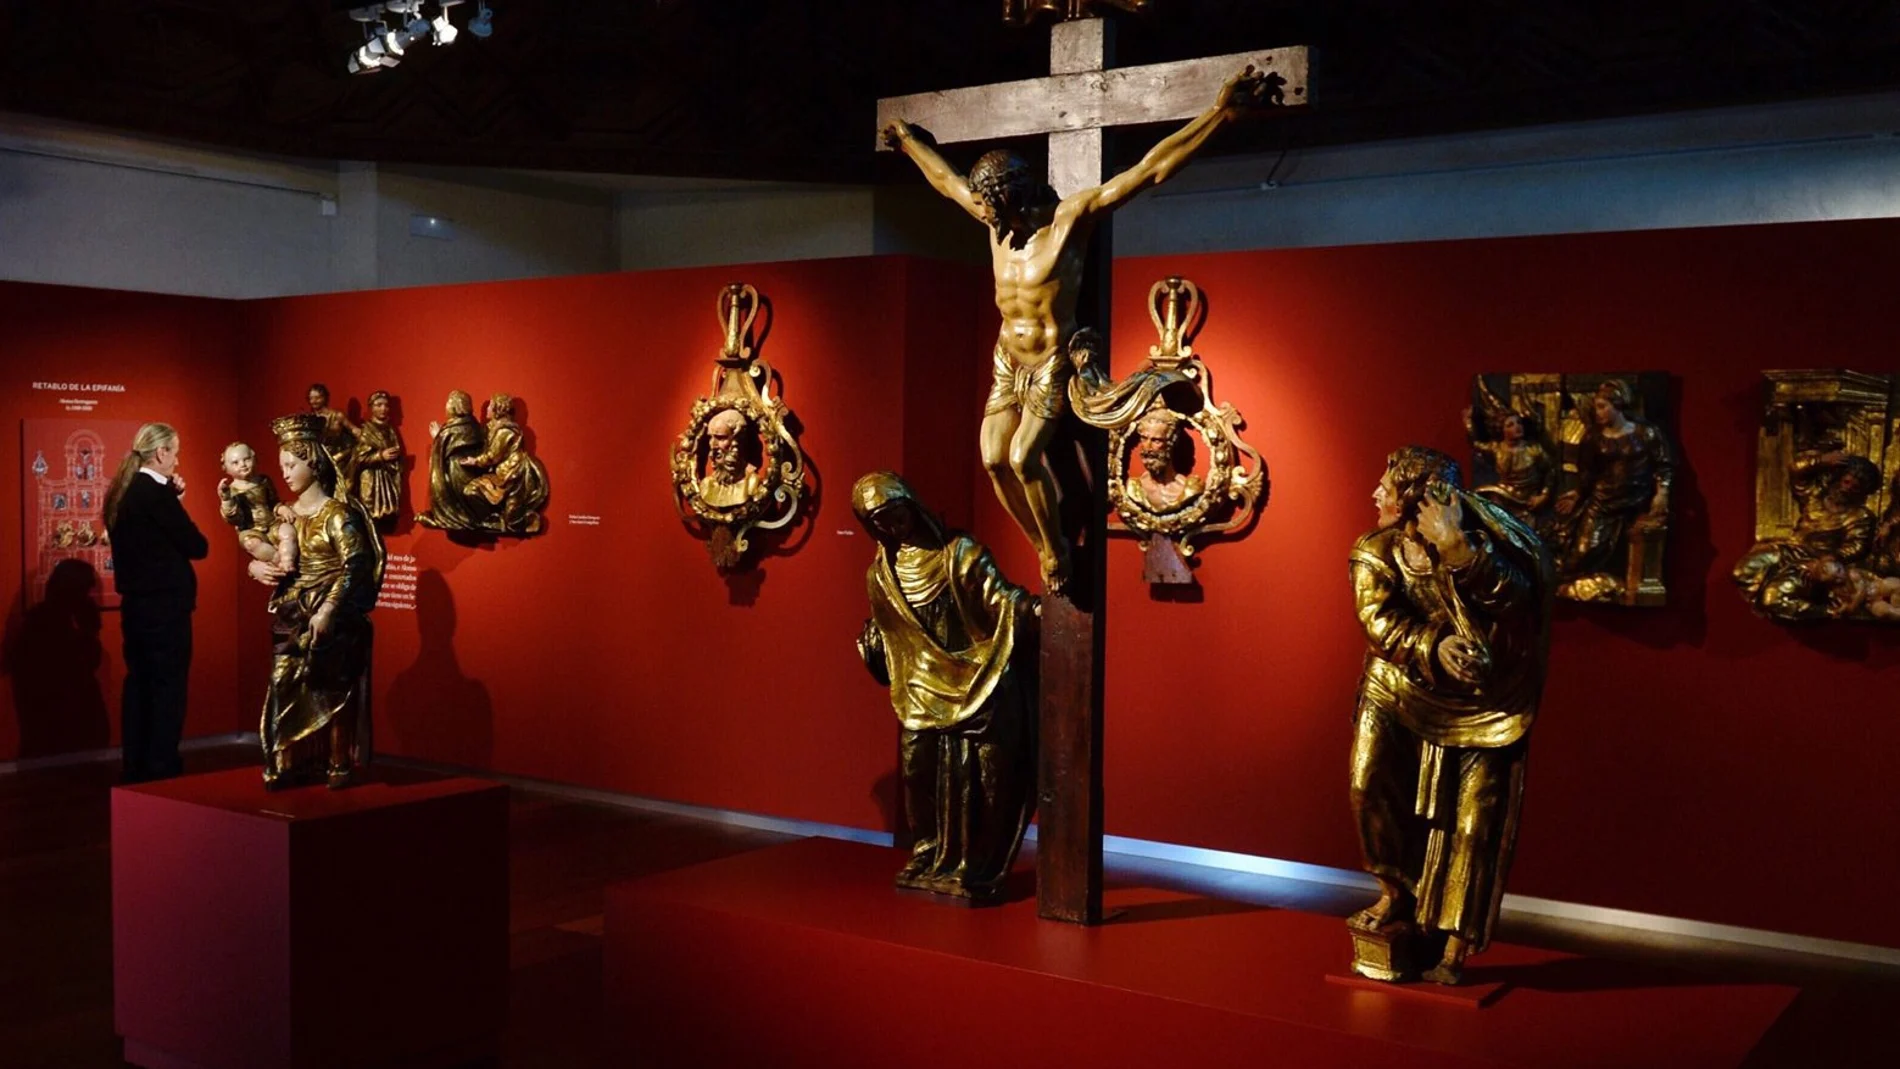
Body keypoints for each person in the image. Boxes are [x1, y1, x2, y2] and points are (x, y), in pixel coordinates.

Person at [883, 66, 1272, 590]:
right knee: (993, 458)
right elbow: (947, 183)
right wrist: (907, 142)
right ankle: (1044, 542)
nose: (994, 226)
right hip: (1006, 356)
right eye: (989, 215)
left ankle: (1054, 551)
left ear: (1020, 199)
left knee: (1023, 456)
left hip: (1051, 357)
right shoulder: (995, 220)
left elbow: (1149, 171)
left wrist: (1220, 114)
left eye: (1001, 215)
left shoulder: (1070, 218)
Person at [1347, 446, 1553, 985]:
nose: (1375, 494)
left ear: (1419, 499)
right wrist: (1433, 647)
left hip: (1484, 705)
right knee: (1367, 786)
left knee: (1472, 823)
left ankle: (1455, 940)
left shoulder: (1475, 547)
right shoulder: (1375, 550)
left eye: (1387, 486)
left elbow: (1516, 603)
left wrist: (1458, 549)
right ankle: (1395, 892)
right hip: (1396, 688)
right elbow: (1378, 621)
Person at [853, 471, 1038, 902]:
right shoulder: (879, 577)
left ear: (911, 505)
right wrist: (873, 643)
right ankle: (928, 852)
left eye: (894, 515)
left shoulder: (960, 553)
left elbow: (1001, 601)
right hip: (920, 687)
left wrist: (1034, 611)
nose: (890, 527)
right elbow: (891, 635)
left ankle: (978, 860)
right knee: (918, 769)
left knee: (987, 777)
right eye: (878, 522)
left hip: (978, 678)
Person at [248, 414, 384, 790]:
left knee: (329, 688)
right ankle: (290, 760)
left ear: (313, 460)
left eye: (291, 464)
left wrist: (327, 609)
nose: (286, 473)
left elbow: (356, 564)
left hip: (332, 614)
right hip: (292, 612)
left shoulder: (337, 514)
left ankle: (336, 761)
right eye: (281, 467)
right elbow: (274, 555)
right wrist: (256, 568)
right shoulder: (287, 516)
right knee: (282, 682)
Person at [103, 422, 209, 783]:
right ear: (161, 452)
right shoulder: (154, 493)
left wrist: (172, 499)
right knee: (167, 687)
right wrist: (174, 500)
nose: (177, 461)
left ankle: (137, 763)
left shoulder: (122, 492)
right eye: (175, 453)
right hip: (166, 608)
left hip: (136, 607)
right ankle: (161, 765)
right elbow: (197, 545)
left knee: (140, 684)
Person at [1547, 379, 1671, 595]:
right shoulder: (1593, 439)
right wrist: (1578, 494)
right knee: (1582, 553)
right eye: (1596, 407)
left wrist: (1662, 492)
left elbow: (1663, 464)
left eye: (1603, 406)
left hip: (1636, 502)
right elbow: (1587, 474)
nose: (1598, 412)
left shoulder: (1645, 433)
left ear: (1618, 404)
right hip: (1603, 504)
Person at [217, 442, 296, 571]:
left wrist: (281, 508)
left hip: (272, 522)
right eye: (235, 463)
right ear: (226, 467)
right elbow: (235, 519)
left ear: (254, 458)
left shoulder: (264, 481)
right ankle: (278, 561)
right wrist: (226, 499)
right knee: (252, 544)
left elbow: (273, 501)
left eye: (246, 459)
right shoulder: (231, 491)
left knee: (287, 531)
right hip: (251, 530)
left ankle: (288, 559)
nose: (242, 465)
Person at [415, 390, 485, 531]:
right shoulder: (473, 425)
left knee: (450, 501)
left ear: (455, 406)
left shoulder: (452, 430)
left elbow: (446, 450)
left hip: (458, 476)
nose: (446, 406)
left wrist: (438, 437)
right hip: (469, 474)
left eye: (448, 402)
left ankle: (449, 517)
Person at [1125, 410, 1203, 512]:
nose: (1147, 448)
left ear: (1171, 443)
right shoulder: (1134, 487)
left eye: (1156, 440)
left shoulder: (1189, 489)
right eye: (1144, 438)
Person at [352, 390, 404, 523]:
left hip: (388, 478)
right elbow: (358, 459)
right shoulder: (366, 431)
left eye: (386, 405)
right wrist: (380, 455)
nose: (383, 409)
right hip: (371, 479)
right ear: (371, 407)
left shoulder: (390, 430)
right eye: (379, 405)